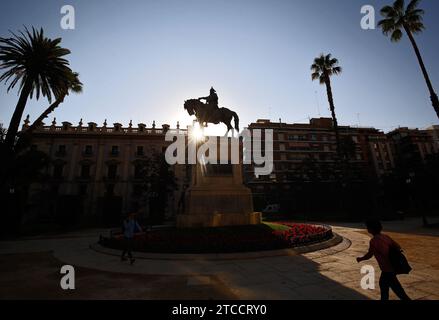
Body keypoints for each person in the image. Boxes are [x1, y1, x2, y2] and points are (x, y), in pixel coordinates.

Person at [356, 219, 411, 300]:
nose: (367, 229)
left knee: (398, 292)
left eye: (368, 227)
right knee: (387, 288)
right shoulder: (385, 237)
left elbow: (370, 255)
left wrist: (361, 259)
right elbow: (398, 247)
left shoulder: (373, 241)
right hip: (391, 267)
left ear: (371, 229)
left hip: (387, 270)